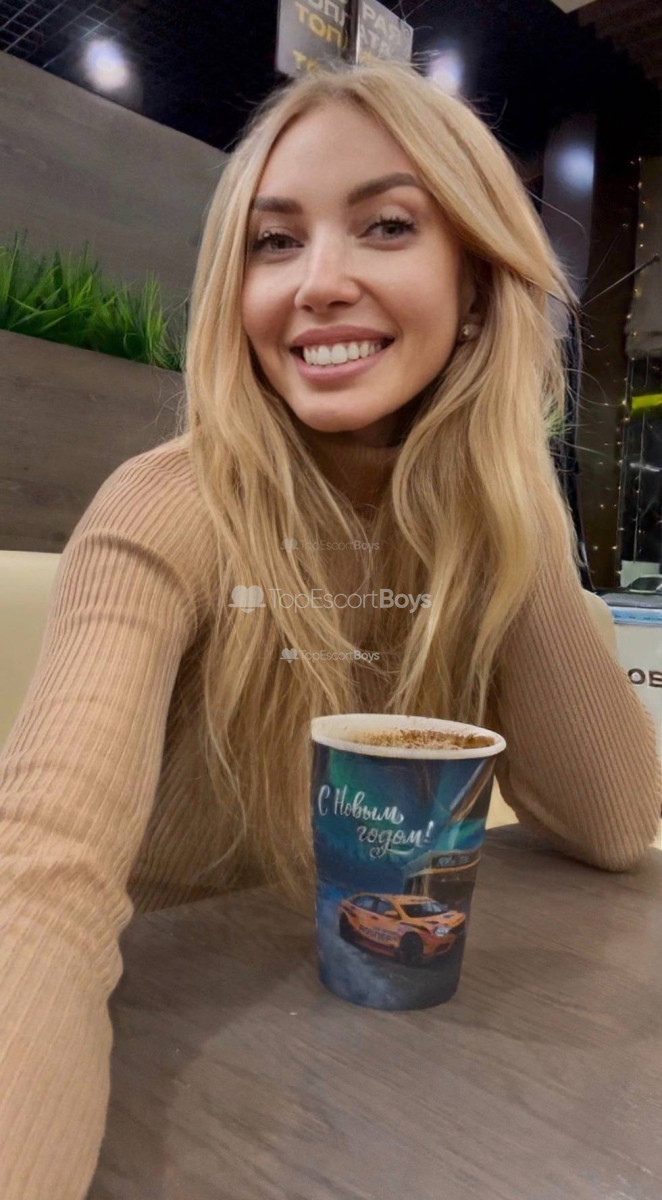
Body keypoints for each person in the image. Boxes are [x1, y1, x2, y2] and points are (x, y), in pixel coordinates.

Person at [1, 60, 659, 1200]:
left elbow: (612, 822)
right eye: (274, 241)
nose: (317, 282)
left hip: (382, 1065)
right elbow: (38, 883)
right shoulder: (168, 505)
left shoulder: (487, 527)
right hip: (156, 1042)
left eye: (387, 226)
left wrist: (506, 499)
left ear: (474, 285)